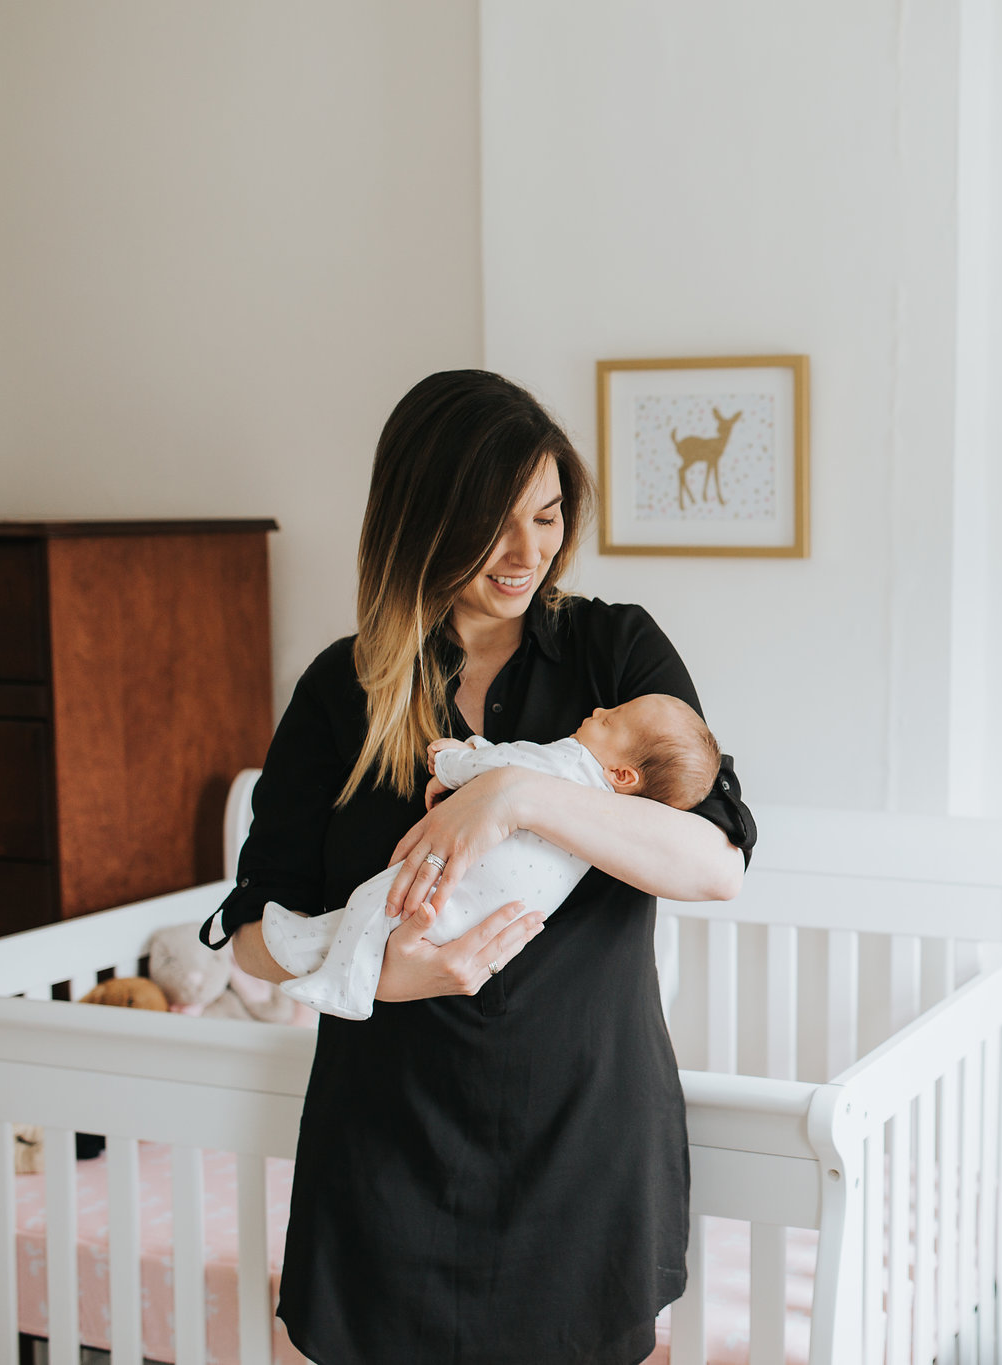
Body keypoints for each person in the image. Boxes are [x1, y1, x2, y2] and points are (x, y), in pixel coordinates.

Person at [198, 370, 756, 1365]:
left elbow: (713, 865)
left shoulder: (615, 656)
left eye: (545, 517)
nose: (524, 552)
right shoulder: (344, 687)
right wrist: (384, 973)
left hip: (586, 1149)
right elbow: (251, 934)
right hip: (384, 1155)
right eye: (492, 523)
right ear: (421, 520)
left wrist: (521, 797)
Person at [261, 693, 721, 1021]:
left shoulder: (573, 765)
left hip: (459, 895)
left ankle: (341, 986)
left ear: (622, 773)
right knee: (372, 921)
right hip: (484, 918)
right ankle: (311, 948)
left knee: (372, 902)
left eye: (610, 720)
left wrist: (454, 760)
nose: (598, 709)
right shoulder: (609, 815)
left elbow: (507, 767)